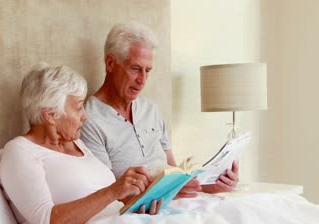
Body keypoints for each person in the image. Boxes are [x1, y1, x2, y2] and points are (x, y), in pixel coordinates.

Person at [0, 63, 163, 224]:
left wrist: (139, 201)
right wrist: (114, 191)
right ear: (50, 115)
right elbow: (49, 222)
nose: (85, 115)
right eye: (78, 108)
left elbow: (103, 199)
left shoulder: (77, 144)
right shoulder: (20, 151)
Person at [80, 22, 239, 196]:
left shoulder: (150, 109)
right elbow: (106, 195)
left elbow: (174, 172)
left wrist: (213, 184)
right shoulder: (89, 120)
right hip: (137, 213)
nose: (143, 80)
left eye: (147, 70)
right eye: (135, 69)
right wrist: (166, 192)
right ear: (110, 63)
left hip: (172, 202)